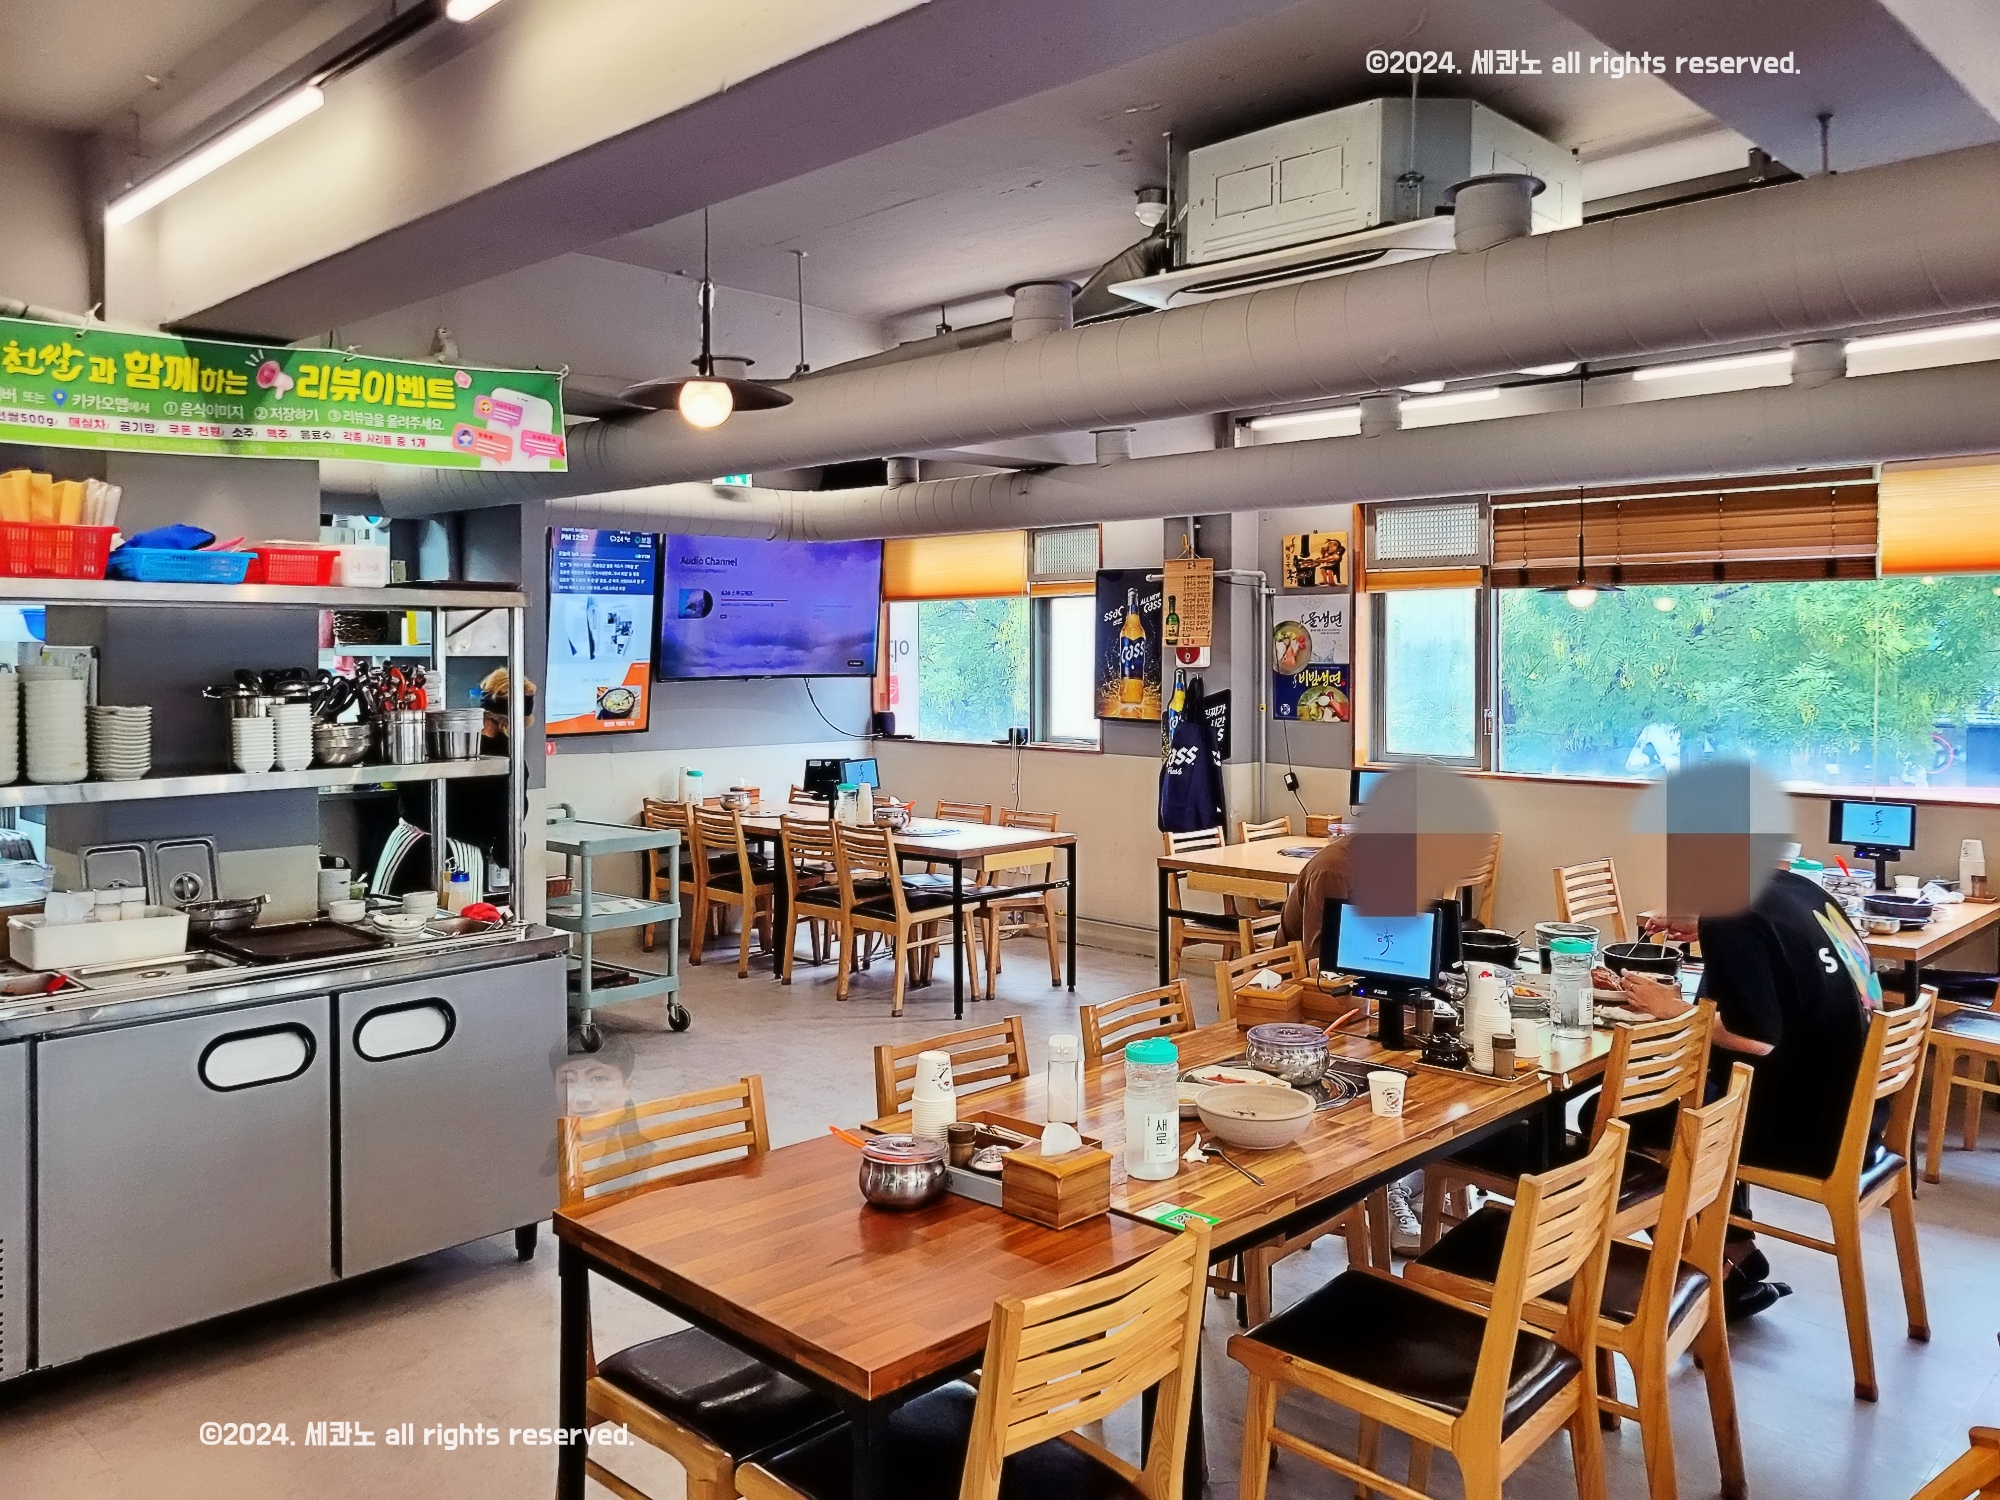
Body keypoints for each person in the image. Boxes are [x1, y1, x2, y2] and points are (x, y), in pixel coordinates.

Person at [1606, 865, 1880, 1319]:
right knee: (1706, 1094)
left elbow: (1755, 1038)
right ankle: (1736, 1249)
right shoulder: (1798, 889)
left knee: (1618, 1116)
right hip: (1858, 1113)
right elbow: (1782, 956)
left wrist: (1672, 1008)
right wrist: (1707, 926)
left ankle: (1710, 1273)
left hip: (1809, 1132)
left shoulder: (1729, 914)